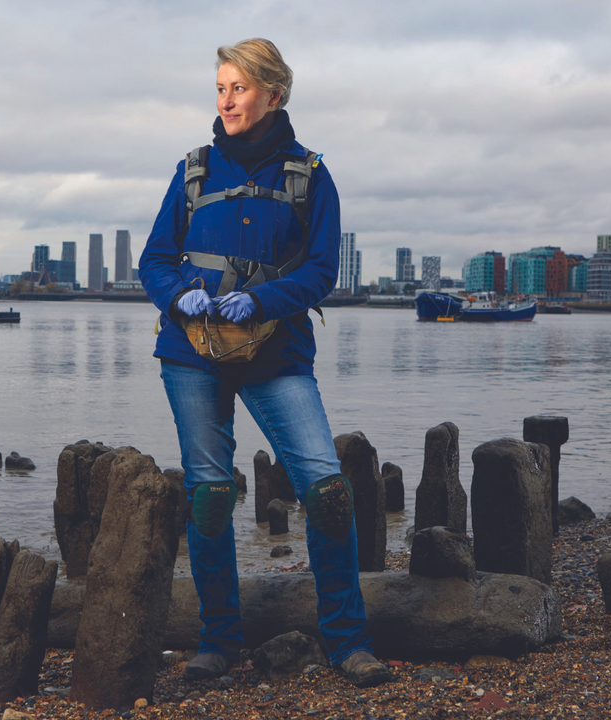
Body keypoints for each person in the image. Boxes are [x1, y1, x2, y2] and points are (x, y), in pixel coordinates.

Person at [139, 38, 392, 688]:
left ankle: (348, 643)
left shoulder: (309, 175)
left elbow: (321, 271)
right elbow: (155, 260)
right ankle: (217, 643)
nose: (226, 100)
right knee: (210, 495)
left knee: (327, 490)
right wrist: (180, 298)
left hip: (277, 351)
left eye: (239, 88)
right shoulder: (193, 171)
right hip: (190, 353)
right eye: (220, 88)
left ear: (273, 94)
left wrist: (257, 301)